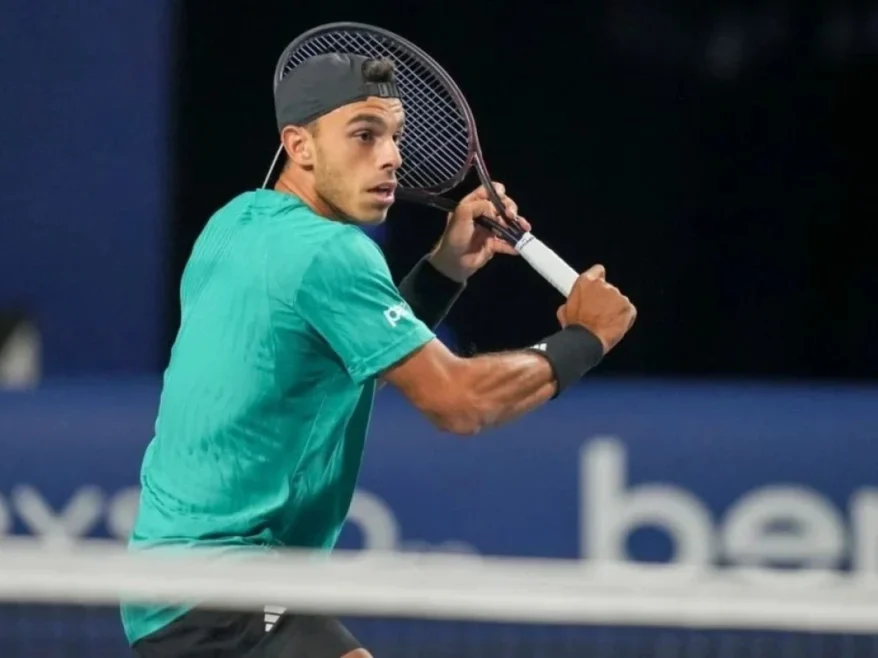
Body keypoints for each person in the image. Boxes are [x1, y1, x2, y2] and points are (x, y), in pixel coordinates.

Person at [123, 53, 636, 658]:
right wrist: (585, 338)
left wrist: (445, 269)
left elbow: (338, 364)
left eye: (395, 135)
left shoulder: (235, 223)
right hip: (225, 587)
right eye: (364, 135)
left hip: (168, 589)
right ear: (299, 145)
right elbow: (460, 402)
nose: (391, 156)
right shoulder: (330, 252)